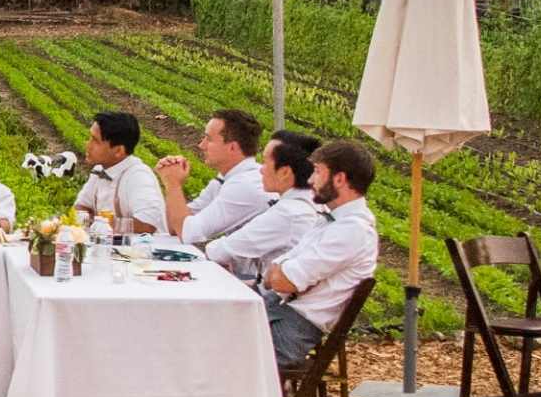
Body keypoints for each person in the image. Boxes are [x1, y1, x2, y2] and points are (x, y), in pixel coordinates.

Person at [258, 139, 386, 372]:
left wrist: (282, 272)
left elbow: (280, 280)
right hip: (280, 310)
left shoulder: (351, 231)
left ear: (339, 179)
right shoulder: (332, 220)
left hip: (293, 330)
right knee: (212, 328)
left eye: (317, 172)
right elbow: (274, 274)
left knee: (216, 348)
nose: (310, 180)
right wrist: (282, 272)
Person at [207, 133, 324, 284]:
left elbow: (221, 252)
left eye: (265, 162)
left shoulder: (288, 213)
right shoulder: (316, 203)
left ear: (284, 172)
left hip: (279, 303)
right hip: (279, 292)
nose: (260, 170)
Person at [160, 110, 271, 248]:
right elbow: (174, 227)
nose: (201, 145)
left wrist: (173, 184)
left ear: (232, 147)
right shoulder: (227, 178)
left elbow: (187, 233)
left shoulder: (244, 185)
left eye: (209, 139)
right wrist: (173, 185)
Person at [72, 112, 165, 235]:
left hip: (143, 250)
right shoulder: (99, 170)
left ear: (118, 151)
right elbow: (81, 207)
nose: (88, 145)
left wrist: (103, 224)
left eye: (95, 140)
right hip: (112, 249)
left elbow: (147, 224)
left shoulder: (138, 176)